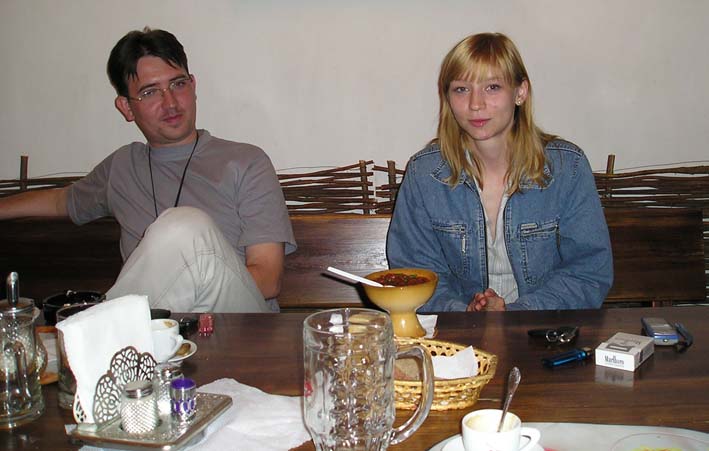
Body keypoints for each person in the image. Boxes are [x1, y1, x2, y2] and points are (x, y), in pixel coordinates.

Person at [0, 27, 296, 313]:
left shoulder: (246, 162)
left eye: (178, 84)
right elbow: (59, 201)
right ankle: (109, 333)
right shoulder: (122, 168)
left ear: (193, 86)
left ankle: (105, 331)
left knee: (185, 227)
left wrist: (193, 287)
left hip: (240, 327)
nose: (170, 102)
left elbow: (268, 280)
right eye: (150, 92)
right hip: (160, 335)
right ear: (126, 108)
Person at [387, 32, 612, 312]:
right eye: (461, 89)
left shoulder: (567, 168)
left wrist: (514, 314)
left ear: (520, 92)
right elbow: (415, 274)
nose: (475, 104)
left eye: (492, 87)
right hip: (456, 331)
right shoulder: (424, 174)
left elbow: (588, 273)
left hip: (547, 328)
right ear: (447, 97)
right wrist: (465, 312)